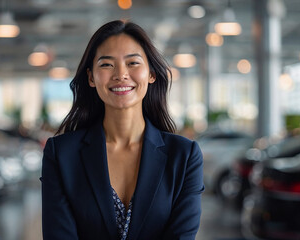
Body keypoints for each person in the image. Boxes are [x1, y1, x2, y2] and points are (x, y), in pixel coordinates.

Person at [41, 19, 204, 240]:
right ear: (91, 77)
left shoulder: (184, 156)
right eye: (107, 64)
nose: (121, 74)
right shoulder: (61, 155)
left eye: (133, 63)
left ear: (152, 74)